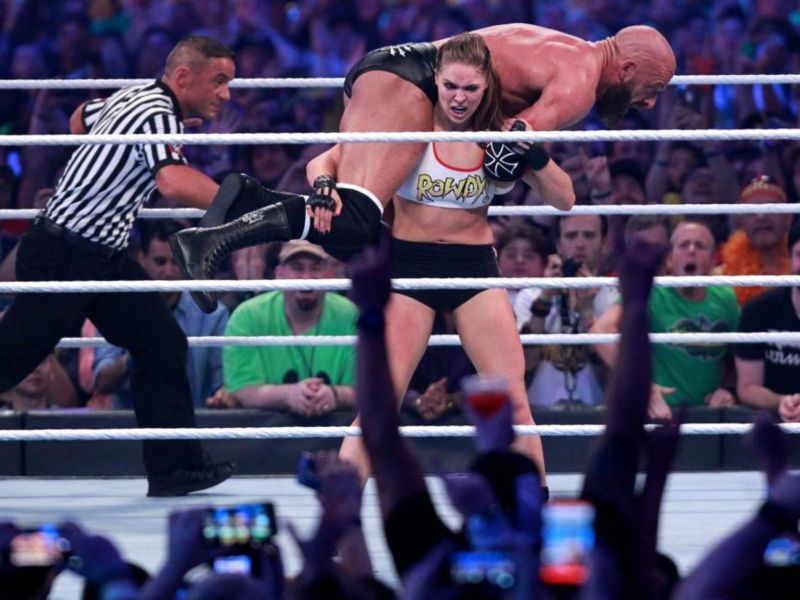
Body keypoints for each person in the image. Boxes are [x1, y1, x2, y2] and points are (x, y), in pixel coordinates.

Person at [170, 20, 674, 313]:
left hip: (398, 73)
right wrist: (493, 184)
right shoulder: (581, 82)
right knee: (356, 220)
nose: (649, 105)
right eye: (651, 91)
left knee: (357, 230)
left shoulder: (570, 53)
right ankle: (210, 240)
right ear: (626, 69)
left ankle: (244, 197)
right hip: (409, 82)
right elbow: (509, 146)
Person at [0, 35, 236, 496]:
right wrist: (246, 202)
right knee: (10, 359)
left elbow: (78, 119)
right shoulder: (156, 112)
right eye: (220, 80)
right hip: (65, 255)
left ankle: (174, 469)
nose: (226, 94)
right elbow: (172, 181)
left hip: (101, 254)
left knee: (162, 341)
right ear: (183, 76)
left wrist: (101, 173)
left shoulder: (132, 96)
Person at [329, 33, 570, 481]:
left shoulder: (499, 135)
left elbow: (565, 199)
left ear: (487, 87)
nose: (459, 98)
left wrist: (535, 155)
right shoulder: (406, 125)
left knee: (514, 400)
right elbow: (327, 159)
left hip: (474, 267)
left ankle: (537, 518)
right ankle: (338, 523)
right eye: (451, 86)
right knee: (380, 404)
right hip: (409, 267)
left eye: (471, 89)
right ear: (435, 79)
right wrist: (325, 187)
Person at [592, 221, 740, 419]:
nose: (692, 250)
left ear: (713, 261)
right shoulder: (652, 294)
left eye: (700, 246)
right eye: (683, 245)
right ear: (669, 259)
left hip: (709, 415)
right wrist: (641, 383)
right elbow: (599, 333)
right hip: (659, 414)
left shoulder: (726, 299)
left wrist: (729, 390)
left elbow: (740, 356)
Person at [92, 220, 229, 409]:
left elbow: (221, 382)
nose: (169, 272)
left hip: (194, 422)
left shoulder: (212, 314)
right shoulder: (117, 309)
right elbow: (102, 381)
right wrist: (139, 351)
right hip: (130, 426)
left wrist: (223, 395)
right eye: (160, 261)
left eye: (176, 262)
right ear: (141, 258)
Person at [216, 240, 357, 416]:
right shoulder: (247, 316)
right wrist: (289, 395)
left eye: (315, 268)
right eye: (297, 268)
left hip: (339, 436)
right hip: (264, 440)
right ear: (279, 274)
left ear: (328, 273)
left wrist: (336, 395)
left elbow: (368, 388)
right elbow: (243, 388)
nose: (307, 278)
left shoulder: (351, 316)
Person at [734, 222, 800, 423]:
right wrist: (784, 402)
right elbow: (747, 387)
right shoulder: (760, 310)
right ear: (790, 259)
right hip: (772, 427)